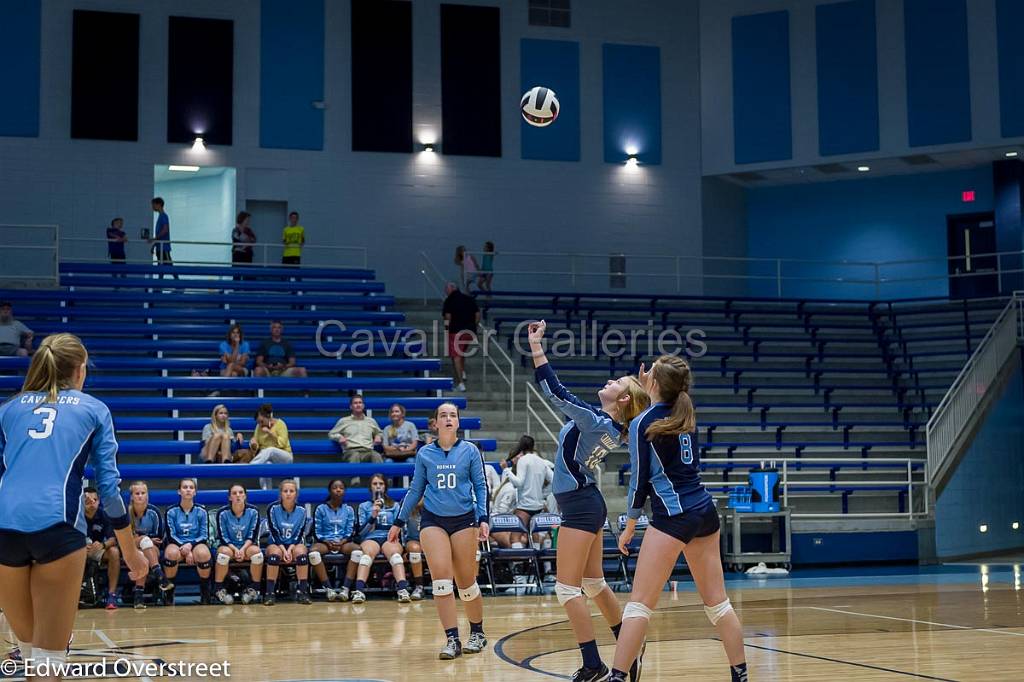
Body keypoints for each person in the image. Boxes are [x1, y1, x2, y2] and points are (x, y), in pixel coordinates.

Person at [0, 333, 148, 675]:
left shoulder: (7, 410)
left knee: (28, 650)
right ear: (80, 371)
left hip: (5, 532)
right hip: (58, 530)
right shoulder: (94, 409)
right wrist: (130, 553)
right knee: (49, 663)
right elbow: (109, 492)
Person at [609, 355, 747, 682]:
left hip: (674, 515)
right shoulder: (685, 411)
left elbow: (639, 481)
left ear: (654, 382)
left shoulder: (644, 421)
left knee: (638, 606)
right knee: (718, 605)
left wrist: (629, 527)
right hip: (703, 511)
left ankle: (616, 676)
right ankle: (740, 676)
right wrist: (650, 389)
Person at [529, 320, 651, 682]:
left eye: (617, 383)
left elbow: (556, 392)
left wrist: (536, 346)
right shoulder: (614, 425)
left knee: (567, 588)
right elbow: (636, 409)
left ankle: (593, 664)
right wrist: (642, 391)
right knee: (594, 584)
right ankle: (630, 644)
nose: (609, 382)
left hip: (581, 505)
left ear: (624, 400)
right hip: (586, 502)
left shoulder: (598, 422)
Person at [390, 402, 490, 660]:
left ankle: (477, 632)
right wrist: (398, 521)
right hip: (433, 520)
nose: (448, 419)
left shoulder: (470, 451)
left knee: (466, 583)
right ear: (435, 422)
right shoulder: (425, 453)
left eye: (452, 415)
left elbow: (481, 486)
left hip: (464, 521)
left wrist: (484, 518)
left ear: (458, 422)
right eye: (443, 415)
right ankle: (452, 639)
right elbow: (415, 490)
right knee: (442, 582)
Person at [352, 475, 409, 604]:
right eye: (375, 484)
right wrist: (373, 516)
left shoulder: (394, 505)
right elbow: (361, 532)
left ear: (385, 487)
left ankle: (402, 590)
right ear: (370, 487)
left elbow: (399, 526)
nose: (378, 486)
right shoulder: (364, 506)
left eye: (381, 483)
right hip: (371, 537)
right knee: (366, 556)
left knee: (395, 556)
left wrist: (402, 544)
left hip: (390, 537)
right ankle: (359, 591)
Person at [162, 478, 213, 605]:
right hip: (177, 544)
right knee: (170, 554)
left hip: (195, 543)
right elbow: (171, 535)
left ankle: (205, 592)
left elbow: (204, 535)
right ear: (179, 491)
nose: (188, 490)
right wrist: (184, 548)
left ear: (195, 492)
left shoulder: (201, 511)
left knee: (203, 554)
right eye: (185, 487)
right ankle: (169, 592)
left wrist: (190, 546)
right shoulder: (171, 511)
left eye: (191, 487)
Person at [264, 479, 312, 606]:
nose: (288, 494)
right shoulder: (272, 508)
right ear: (280, 493)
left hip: (294, 543)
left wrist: (290, 549)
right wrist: (284, 550)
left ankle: (302, 592)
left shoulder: (302, 510)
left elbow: (300, 533)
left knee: (302, 554)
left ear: (296, 494)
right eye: (285, 491)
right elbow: (273, 531)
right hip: (276, 542)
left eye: (291, 491)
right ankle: (270, 593)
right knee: (274, 555)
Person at [213, 484, 263, 605]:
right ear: (230, 497)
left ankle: (253, 589)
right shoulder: (222, 513)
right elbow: (223, 536)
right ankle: (219, 589)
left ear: (245, 496)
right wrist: (235, 550)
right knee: (223, 554)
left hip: (247, 545)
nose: (238, 496)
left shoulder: (253, 511)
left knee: (257, 554)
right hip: (229, 546)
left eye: (241, 493)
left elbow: (253, 534)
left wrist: (243, 549)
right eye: (234, 493)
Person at [501, 435, 553, 546]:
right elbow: (553, 480)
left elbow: (518, 483)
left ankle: (518, 563)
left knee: (515, 538)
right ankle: (540, 563)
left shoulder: (523, 460)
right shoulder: (542, 461)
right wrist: (543, 494)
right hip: (538, 506)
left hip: (525, 506)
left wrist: (506, 469)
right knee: (536, 538)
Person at [310, 479, 357, 602]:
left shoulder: (349, 509)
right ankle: (328, 588)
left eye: (341, 488)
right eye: (335, 487)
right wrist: (326, 541)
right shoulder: (321, 509)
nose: (338, 490)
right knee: (313, 552)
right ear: (330, 491)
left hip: (343, 542)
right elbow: (316, 530)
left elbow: (351, 530)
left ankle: (345, 588)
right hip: (325, 542)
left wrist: (343, 541)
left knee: (358, 551)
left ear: (344, 491)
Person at [127, 481, 172, 608]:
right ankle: (160, 576)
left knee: (143, 552)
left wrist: (142, 538)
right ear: (131, 496)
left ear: (147, 495)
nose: (140, 496)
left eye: (143, 493)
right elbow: (126, 539)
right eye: (137, 493)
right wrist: (142, 539)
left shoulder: (154, 512)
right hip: (130, 548)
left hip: (151, 549)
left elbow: (158, 539)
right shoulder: (126, 513)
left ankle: (139, 597)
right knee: (144, 543)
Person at [82, 487, 122, 610]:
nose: (92, 502)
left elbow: (113, 539)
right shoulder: (76, 515)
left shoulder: (104, 514)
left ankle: (112, 595)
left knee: (114, 552)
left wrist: (102, 545)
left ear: (99, 501)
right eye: (88, 500)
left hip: (97, 549)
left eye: (95, 499)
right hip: (78, 551)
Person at [442, 282, 480, 392]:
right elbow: (477, 315)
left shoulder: (449, 301)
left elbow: (448, 317)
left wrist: (446, 329)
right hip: (469, 331)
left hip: (456, 332)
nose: (445, 291)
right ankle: (462, 372)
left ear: (452, 288)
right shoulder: (469, 299)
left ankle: (460, 383)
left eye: (446, 289)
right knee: (462, 351)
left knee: (456, 356)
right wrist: (473, 326)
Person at [328, 395, 383, 465]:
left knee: (376, 455)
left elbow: (380, 432)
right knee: (355, 456)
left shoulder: (371, 421)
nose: (358, 405)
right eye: (355, 403)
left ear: (363, 406)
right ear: (351, 406)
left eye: (360, 403)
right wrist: (339, 437)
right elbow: (331, 434)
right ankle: (355, 476)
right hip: (351, 451)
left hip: (368, 451)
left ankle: (377, 476)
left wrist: (378, 436)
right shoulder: (344, 421)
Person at [149, 197, 175, 270]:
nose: (152, 207)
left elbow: (165, 230)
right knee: (160, 266)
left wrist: (154, 239)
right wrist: (154, 245)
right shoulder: (160, 217)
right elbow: (160, 234)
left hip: (164, 247)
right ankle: (159, 280)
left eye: (153, 205)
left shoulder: (163, 216)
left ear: (159, 204)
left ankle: (177, 280)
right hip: (159, 247)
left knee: (169, 266)